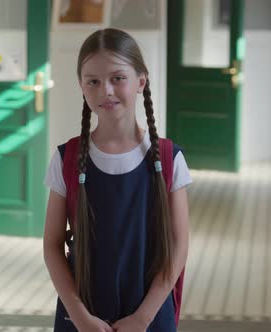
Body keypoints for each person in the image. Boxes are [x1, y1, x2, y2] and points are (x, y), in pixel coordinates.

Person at [43, 28, 192, 332]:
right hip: (82, 318)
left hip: (149, 317)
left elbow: (179, 245)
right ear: (81, 87)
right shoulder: (66, 159)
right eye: (93, 81)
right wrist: (81, 316)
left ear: (141, 81)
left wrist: (143, 317)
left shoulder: (168, 159)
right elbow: (52, 245)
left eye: (117, 78)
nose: (106, 91)